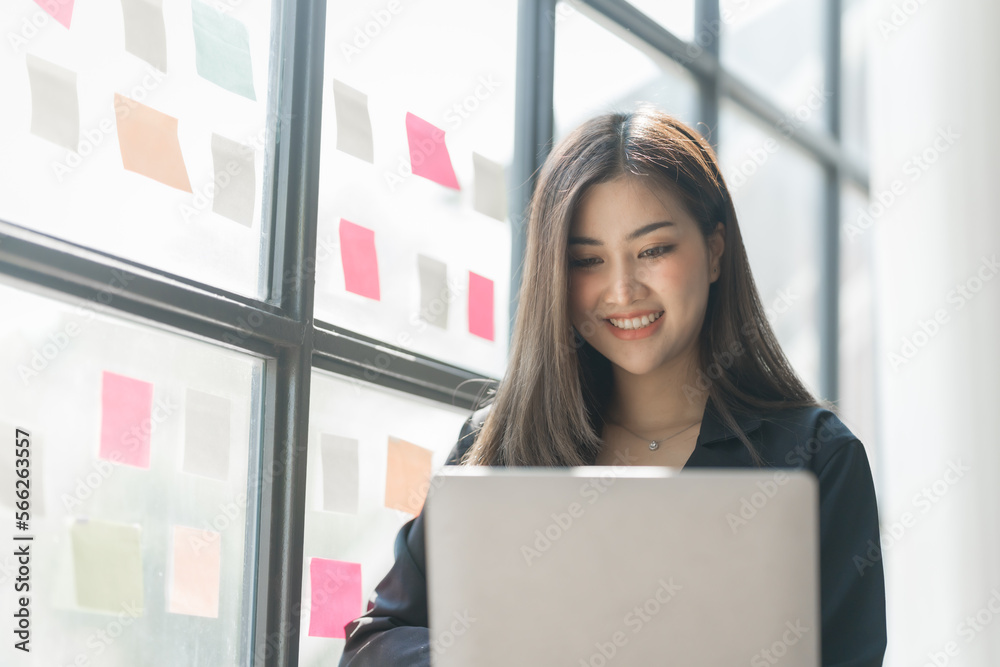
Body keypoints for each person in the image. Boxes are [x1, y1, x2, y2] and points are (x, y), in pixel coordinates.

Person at [338, 105, 887, 666]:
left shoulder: (817, 458)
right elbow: (374, 644)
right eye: (588, 260)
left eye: (653, 250)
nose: (622, 291)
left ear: (716, 251)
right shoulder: (501, 443)